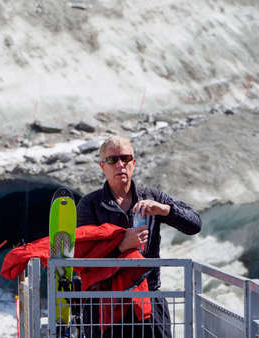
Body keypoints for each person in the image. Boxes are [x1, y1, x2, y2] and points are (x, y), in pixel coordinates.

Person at [77, 135, 201, 337]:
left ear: (133, 163)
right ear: (102, 166)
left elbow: (194, 224)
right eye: (112, 160)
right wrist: (120, 246)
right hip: (104, 301)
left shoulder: (152, 197)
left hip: (148, 299)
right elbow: (84, 260)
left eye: (125, 159)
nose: (120, 164)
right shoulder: (90, 204)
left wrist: (165, 210)